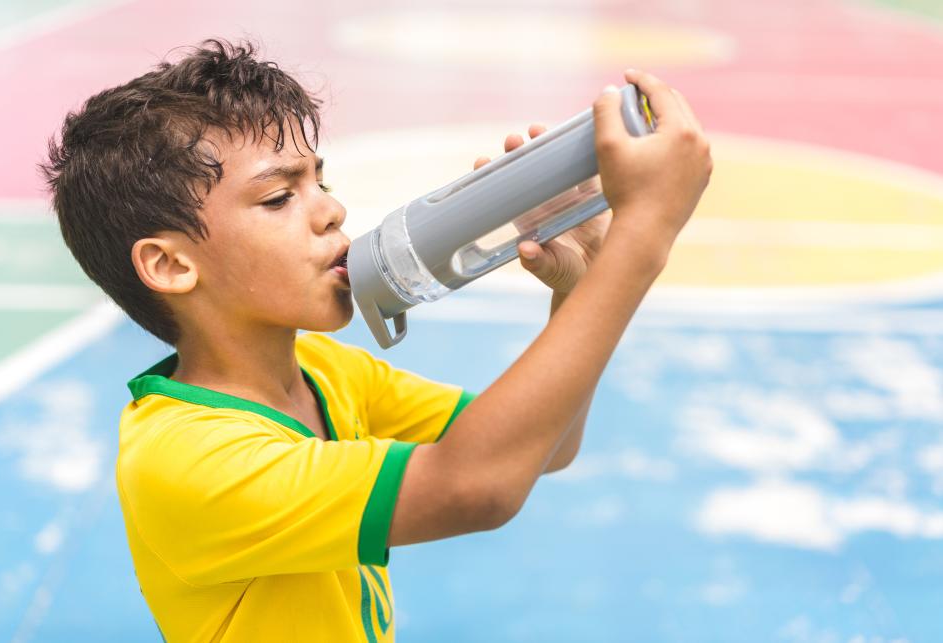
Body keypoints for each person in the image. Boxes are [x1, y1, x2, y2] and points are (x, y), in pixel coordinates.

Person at [41, 39, 711, 643]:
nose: (331, 209)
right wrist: (643, 232)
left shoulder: (324, 369)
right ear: (170, 265)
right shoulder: (186, 459)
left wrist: (579, 284)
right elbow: (478, 485)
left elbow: (546, 448)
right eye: (279, 198)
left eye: (319, 181)